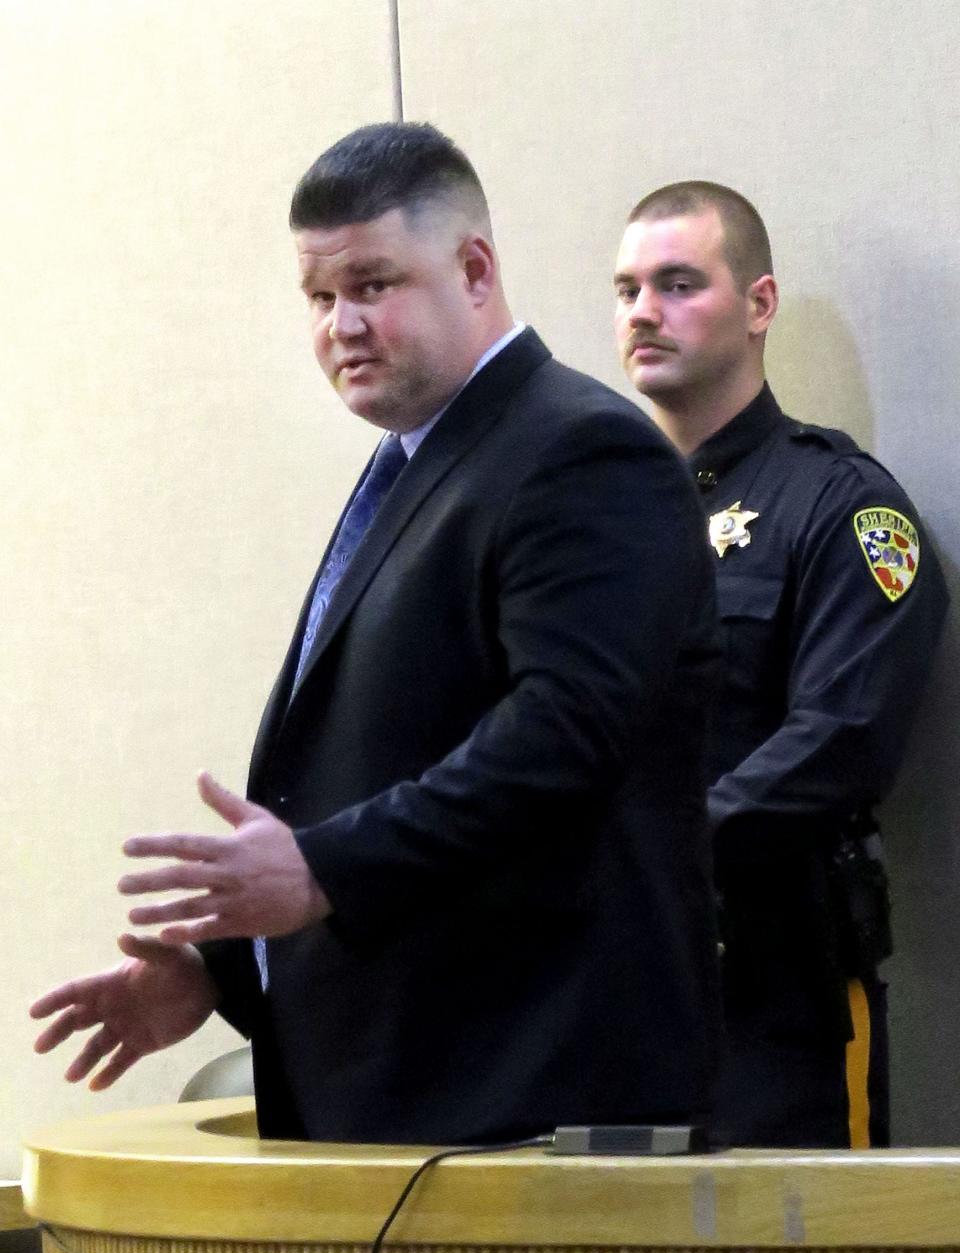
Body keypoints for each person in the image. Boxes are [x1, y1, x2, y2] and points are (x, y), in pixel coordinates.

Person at [32, 124, 721, 1145]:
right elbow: (379, 761)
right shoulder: (420, 460)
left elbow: (562, 737)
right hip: (411, 1103)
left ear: (474, 268)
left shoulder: (580, 449)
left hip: (535, 1105)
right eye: (319, 298)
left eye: (371, 284)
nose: (341, 326)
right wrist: (227, 968)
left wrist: (319, 873)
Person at [614, 180, 949, 1147]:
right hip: (608, 993)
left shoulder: (838, 505)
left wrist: (649, 854)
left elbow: (841, 742)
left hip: (774, 1001)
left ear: (759, 305)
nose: (645, 311)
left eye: (679, 283)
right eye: (629, 288)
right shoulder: (600, 518)